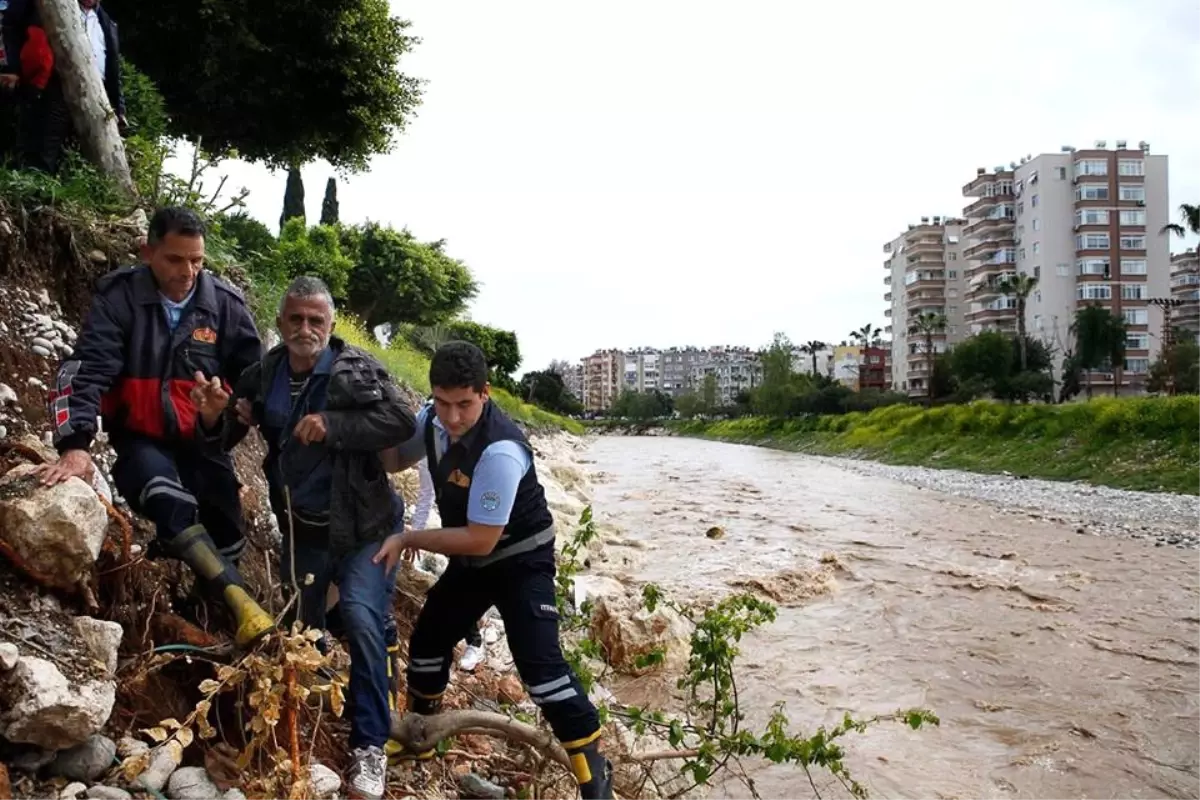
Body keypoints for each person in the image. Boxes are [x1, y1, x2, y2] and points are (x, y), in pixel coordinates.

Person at [195, 275, 417, 800]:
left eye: (316, 320)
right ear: (279, 323)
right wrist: (213, 418)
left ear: (331, 324)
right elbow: (230, 434)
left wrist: (332, 424)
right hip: (303, 532)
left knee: (361, 618)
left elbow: (402, 420)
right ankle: (305, 735)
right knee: (306, 634)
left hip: (367, 530)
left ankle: (368, 747)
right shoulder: (264, 373)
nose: (305, 328)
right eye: (295, 318)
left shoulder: (355, 368)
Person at [376, 341, 613, 800]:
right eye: (443, 403)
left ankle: (594, 773)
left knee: (541, 670)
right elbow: (391, 459)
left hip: (521, 560)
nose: (453, 417)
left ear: (484, 393)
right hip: (474, 562)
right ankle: (421, 741)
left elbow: (481, 537)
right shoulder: (431, 421)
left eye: (464, 404)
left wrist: (408, 537)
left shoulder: (501, 449)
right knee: (427, 642)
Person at [37, 206, 272, 648]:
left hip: (204, 443)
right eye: (175, 260)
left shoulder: (225, 306)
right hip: (140, 438)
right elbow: (85, 372)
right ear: (148, 252)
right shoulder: (120, 298)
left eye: (197, 261)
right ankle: (239, 603)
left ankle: (209, 617)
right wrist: (76, 445)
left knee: (228, 526)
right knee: (166, 498)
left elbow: (255, 384)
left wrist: (221, 415)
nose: (189, 272)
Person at [0, 0, 126, 173]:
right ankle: (34, 190)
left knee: (77, 157)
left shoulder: (105, 22)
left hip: (95, 97)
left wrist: (119, 110)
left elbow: (113, 70)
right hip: (52, 86)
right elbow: (11, 28)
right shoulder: (46, 8)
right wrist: (11, 67)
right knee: (42, 147)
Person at [410, 418, 487, 673]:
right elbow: (425, 495)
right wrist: (416, 532)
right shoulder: (429, 444)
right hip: (455, 527)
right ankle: (473, 639)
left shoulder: (482, 437)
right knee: (456, 584)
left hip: (483, 524)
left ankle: (475, 641)